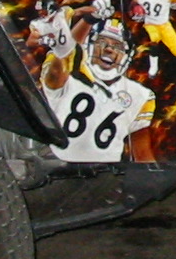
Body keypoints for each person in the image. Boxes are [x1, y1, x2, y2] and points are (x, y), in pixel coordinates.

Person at [38, 14, 155, 163]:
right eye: (102, 42)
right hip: (58, 164)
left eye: (118, 46)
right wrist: (88, 20)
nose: (109, 50)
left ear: (127, 55)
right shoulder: (68, 71)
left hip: (107, 171)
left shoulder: (141, 95)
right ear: (89, 44)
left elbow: (142, 153)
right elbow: (57, 70)